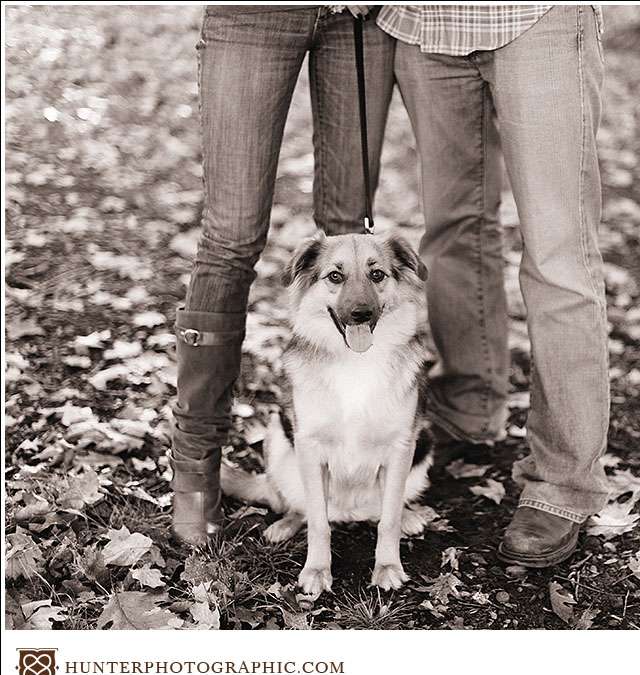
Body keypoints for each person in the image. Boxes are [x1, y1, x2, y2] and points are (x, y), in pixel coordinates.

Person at [377, 5, 611, 567]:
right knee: (452, 232)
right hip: (422, 24)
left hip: (538, 18)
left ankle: (563, 484)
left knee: (559, 255)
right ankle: (469, 407)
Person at [170, 4, 394, 545]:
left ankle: (347, 456)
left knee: (351, 234)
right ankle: (195, 466)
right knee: (231, 238)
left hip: (358, 21)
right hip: (254, 14)